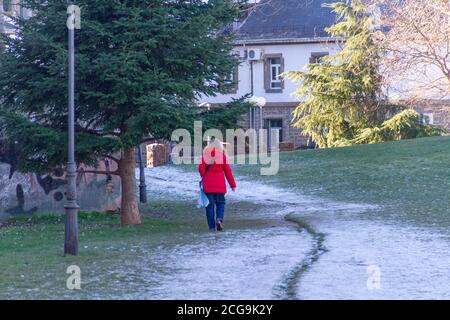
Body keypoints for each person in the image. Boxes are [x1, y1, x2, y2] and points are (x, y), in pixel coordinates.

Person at [199, 138, 236, 232]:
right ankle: (219, 219)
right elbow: (228, 171)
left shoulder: (205, 155)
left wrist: (205, 175)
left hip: (208, 186)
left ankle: (211, 227)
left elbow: (201, 170)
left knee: (209, 206)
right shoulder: (222, 156)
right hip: (220, 186)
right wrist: (232, 185)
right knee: (221, 203)